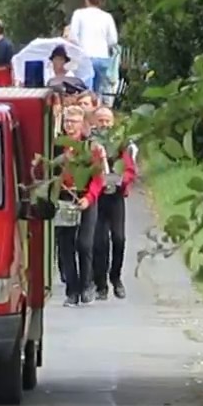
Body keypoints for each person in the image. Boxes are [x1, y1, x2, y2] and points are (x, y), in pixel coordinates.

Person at [54, 106, 105, 307]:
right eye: (67, 121)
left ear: (82, 124)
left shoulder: (91, 148)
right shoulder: (57, 147)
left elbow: (98, 177)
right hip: (65, 197)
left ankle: (86, 284)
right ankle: (72, 290)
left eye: (74, 122)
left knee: (84, 244)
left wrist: (89, 198)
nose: (70, 126)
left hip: (85, 197)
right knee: (66, 245)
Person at [91, 106, 135, 300]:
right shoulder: (90, 142)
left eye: (107, 121)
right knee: (99, 242)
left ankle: (115, 277)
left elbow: (130, 168)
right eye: (100, 120)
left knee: (119, 239)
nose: (104, 124)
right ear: (95, 122)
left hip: (115, 196)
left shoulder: (121, 144)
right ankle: (101, 284)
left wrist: (121, 180)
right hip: (98, 196)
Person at [68, 0, 119, 103]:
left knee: (85, 91)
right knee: (99, 91)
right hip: (102, 57)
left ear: (87, 0)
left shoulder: (79, 14)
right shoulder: (107, 17)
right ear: (100, 1)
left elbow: (73, 37)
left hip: (84, 57)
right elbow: (113, 40)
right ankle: (98, 111)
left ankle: (86, 114)